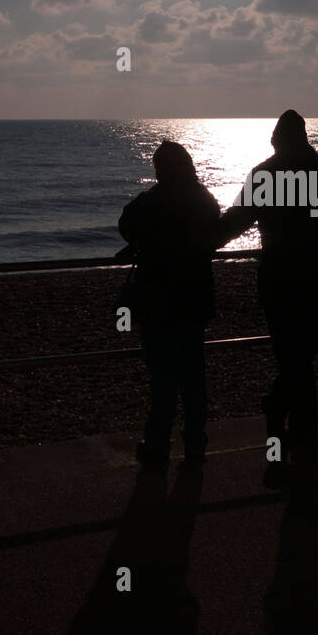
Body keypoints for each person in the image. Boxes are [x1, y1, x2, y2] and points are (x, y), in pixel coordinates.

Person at [218, 110, 318, 489]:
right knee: (306, 350)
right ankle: (302, 442)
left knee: (292, 354)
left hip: (278, 275)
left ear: (276, 140)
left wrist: (200, 238)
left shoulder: (265, 174)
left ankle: (282, 431)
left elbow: (236, 221)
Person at [117, 141, 221, 470]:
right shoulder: (203, 199)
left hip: (159, 300)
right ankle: (195, 444)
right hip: (194, 299)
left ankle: (158, 444)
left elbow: (126, 223)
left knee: (162, 378)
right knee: (193, 377)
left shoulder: (153, 200)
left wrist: (142, 243)